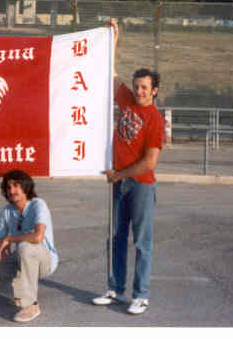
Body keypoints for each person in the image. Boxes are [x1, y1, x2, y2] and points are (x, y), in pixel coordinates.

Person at [92, 18, 164, 315]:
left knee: (141, 242)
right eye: (137, 87)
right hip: (119, 182)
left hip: (140, 185)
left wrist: (119, 175)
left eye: (145, 88)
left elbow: (150, 162)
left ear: (155, 90)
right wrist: (114, 40)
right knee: (117, 237)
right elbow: (111, 76)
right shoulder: (128, 102)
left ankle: (141, 295)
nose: (139, 91)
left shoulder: (154, 120)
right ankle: (115, 288)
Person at [0, 169, 58, 323]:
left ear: (25, 186)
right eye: (8, 187)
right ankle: (21, 292)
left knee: (24, 247)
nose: (12, 190)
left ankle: (31, 304)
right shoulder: (6, 211)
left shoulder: (38, 204)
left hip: (43, 260)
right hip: (21, 259)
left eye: (16, 185)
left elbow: (38, 236)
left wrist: (11, 238)